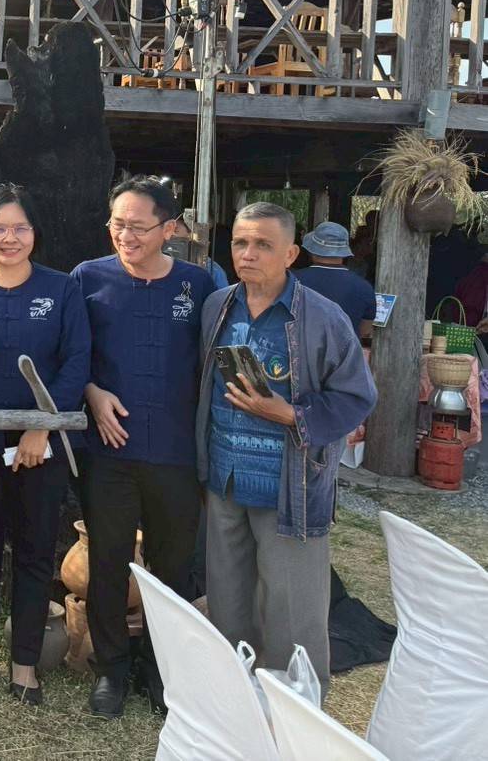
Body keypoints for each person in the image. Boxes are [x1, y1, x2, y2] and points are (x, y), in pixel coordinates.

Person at [198, 201, 377, 695]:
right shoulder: (218, 307)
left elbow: (358, 397)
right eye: (240, 242)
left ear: (291, 253)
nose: (248, 253)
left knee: (293, 612)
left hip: (290, 486)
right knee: (228, 603)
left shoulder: (323, 318)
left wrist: (289, 414)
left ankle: (298, 714)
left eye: (263, 245)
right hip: (225, 479)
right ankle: (235, 702)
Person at [72, 176, 218, 717]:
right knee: (108, 562)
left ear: (170, 229)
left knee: (172, 568)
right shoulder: (88, 278)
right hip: (109, 451)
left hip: (177, 452)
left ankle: (163, 670)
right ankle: (109, 668)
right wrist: (92, 393)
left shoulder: (199, 286)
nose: (125, 236)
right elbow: (71, 353)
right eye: (117, 224)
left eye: (138, 226)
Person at [0, 184, 90, 705]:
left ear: (35, 233)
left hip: (40, 447)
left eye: (20, 227)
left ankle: (25, 663)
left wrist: (42, 427)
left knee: (33, 553)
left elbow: (76, 361)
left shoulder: (62, 289)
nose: (9, 238)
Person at [296, 221, 377, 341]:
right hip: (345, 357)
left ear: (311, 250)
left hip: (299, 354)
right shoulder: (364, 287)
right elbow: (364, 331)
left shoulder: (292, 281)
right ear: (344, 253)